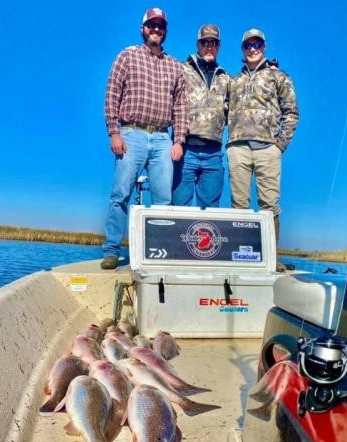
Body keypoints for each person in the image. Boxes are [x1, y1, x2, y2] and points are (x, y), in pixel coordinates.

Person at [101, 7, 188, 270]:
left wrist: (179, 140)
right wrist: (114, 132)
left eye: (161, 26)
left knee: (163, 200)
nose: (156, 30)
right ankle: (112, 250)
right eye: (152, 25)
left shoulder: (175, 66)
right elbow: (112, 94)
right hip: (131, 134)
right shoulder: (127, 56)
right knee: (121, 194)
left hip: (162, 139)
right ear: (143, 29)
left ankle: (158, 253)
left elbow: (181, 106)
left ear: (165, 31)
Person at [227, 29, 299, 270]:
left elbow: (291, 113)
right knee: (239, 205)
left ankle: (270, 258)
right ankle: (241, 256)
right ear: (242, 49)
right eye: (247, 45)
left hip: (268, 148)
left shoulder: (279, 77)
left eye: (257, 44)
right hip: (237, 148)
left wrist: (280, 145)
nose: (252, 49)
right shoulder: (233, 81)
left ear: (264, 46)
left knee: (269, 205)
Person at [172, 24, 229, 208]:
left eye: (214, 42)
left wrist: (271, 71)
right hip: (186, 151)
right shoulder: (181, 69)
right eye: (205, 42)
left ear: (218, 46)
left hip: (214, 154)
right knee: (180, 208)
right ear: (198, 44)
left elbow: (238, 108)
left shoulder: (226, 78)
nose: (209, 46)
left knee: (211, 214)